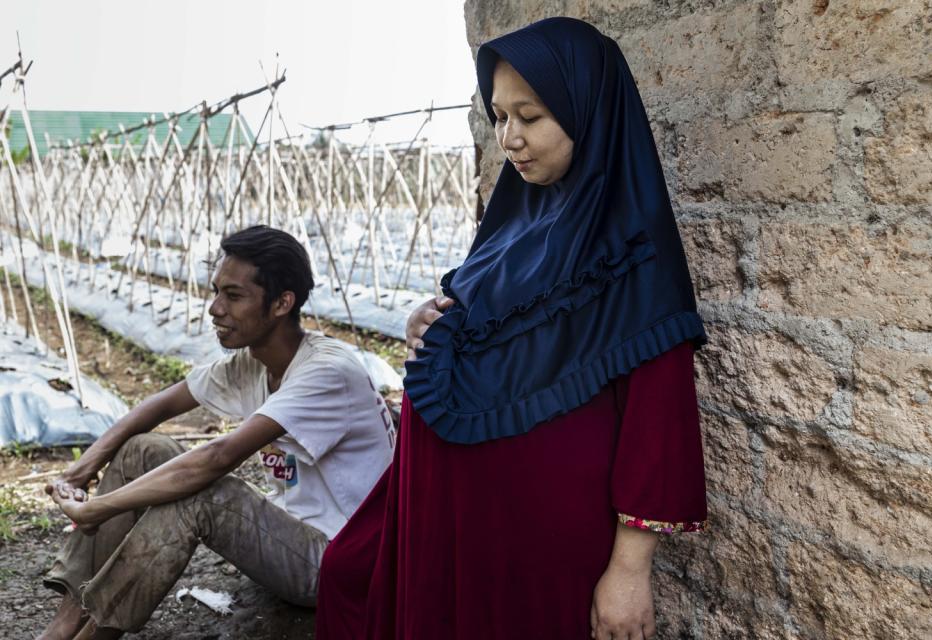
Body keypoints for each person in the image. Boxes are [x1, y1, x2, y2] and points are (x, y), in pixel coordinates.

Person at [315, 17, 709, 640]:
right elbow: (495, 321)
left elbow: (657, 419)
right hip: (446, 522)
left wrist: (629, 571)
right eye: (500, 117)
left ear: (587, 112)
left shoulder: (633, 253)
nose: (510, 139)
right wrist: (433, 320)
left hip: (536, 543)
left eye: (531, 117)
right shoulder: (512, 225)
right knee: (345, 574)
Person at [38, 225, 395, 640]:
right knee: (141, 449)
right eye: (216, 291)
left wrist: (99, 508)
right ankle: (66, 622)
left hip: (341, 560)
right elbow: (159, 405)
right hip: (295, 532)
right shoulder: (254, 362)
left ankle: (94, 635)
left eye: (233, 295)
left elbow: (216, 457)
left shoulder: (325, 372)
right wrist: (82, 469)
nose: (214, 308)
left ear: (282, 303)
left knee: (202, 494)